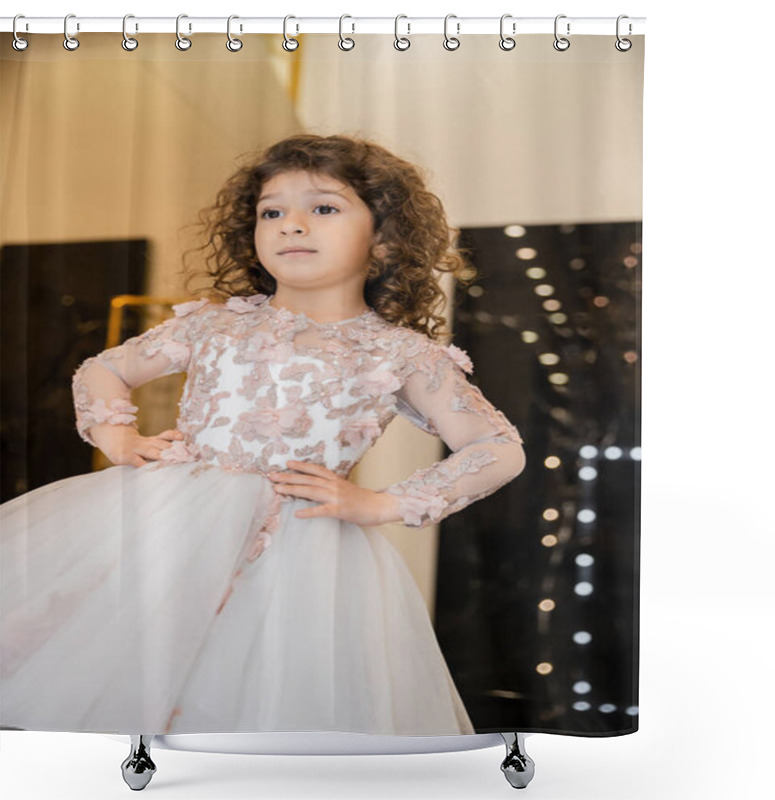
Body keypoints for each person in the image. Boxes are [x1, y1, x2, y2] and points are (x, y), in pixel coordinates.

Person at [0, 133, 526, 736]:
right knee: (114, 675)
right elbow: (105, 368)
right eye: (271, 212)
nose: (291, 225)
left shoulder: (402, 354)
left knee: (251, 705)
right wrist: (119, 440)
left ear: (383, 239)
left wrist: (383, 503)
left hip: (303, 556)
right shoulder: (217, 324)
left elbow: (497, 447)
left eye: (323, 208)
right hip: (167, 529)